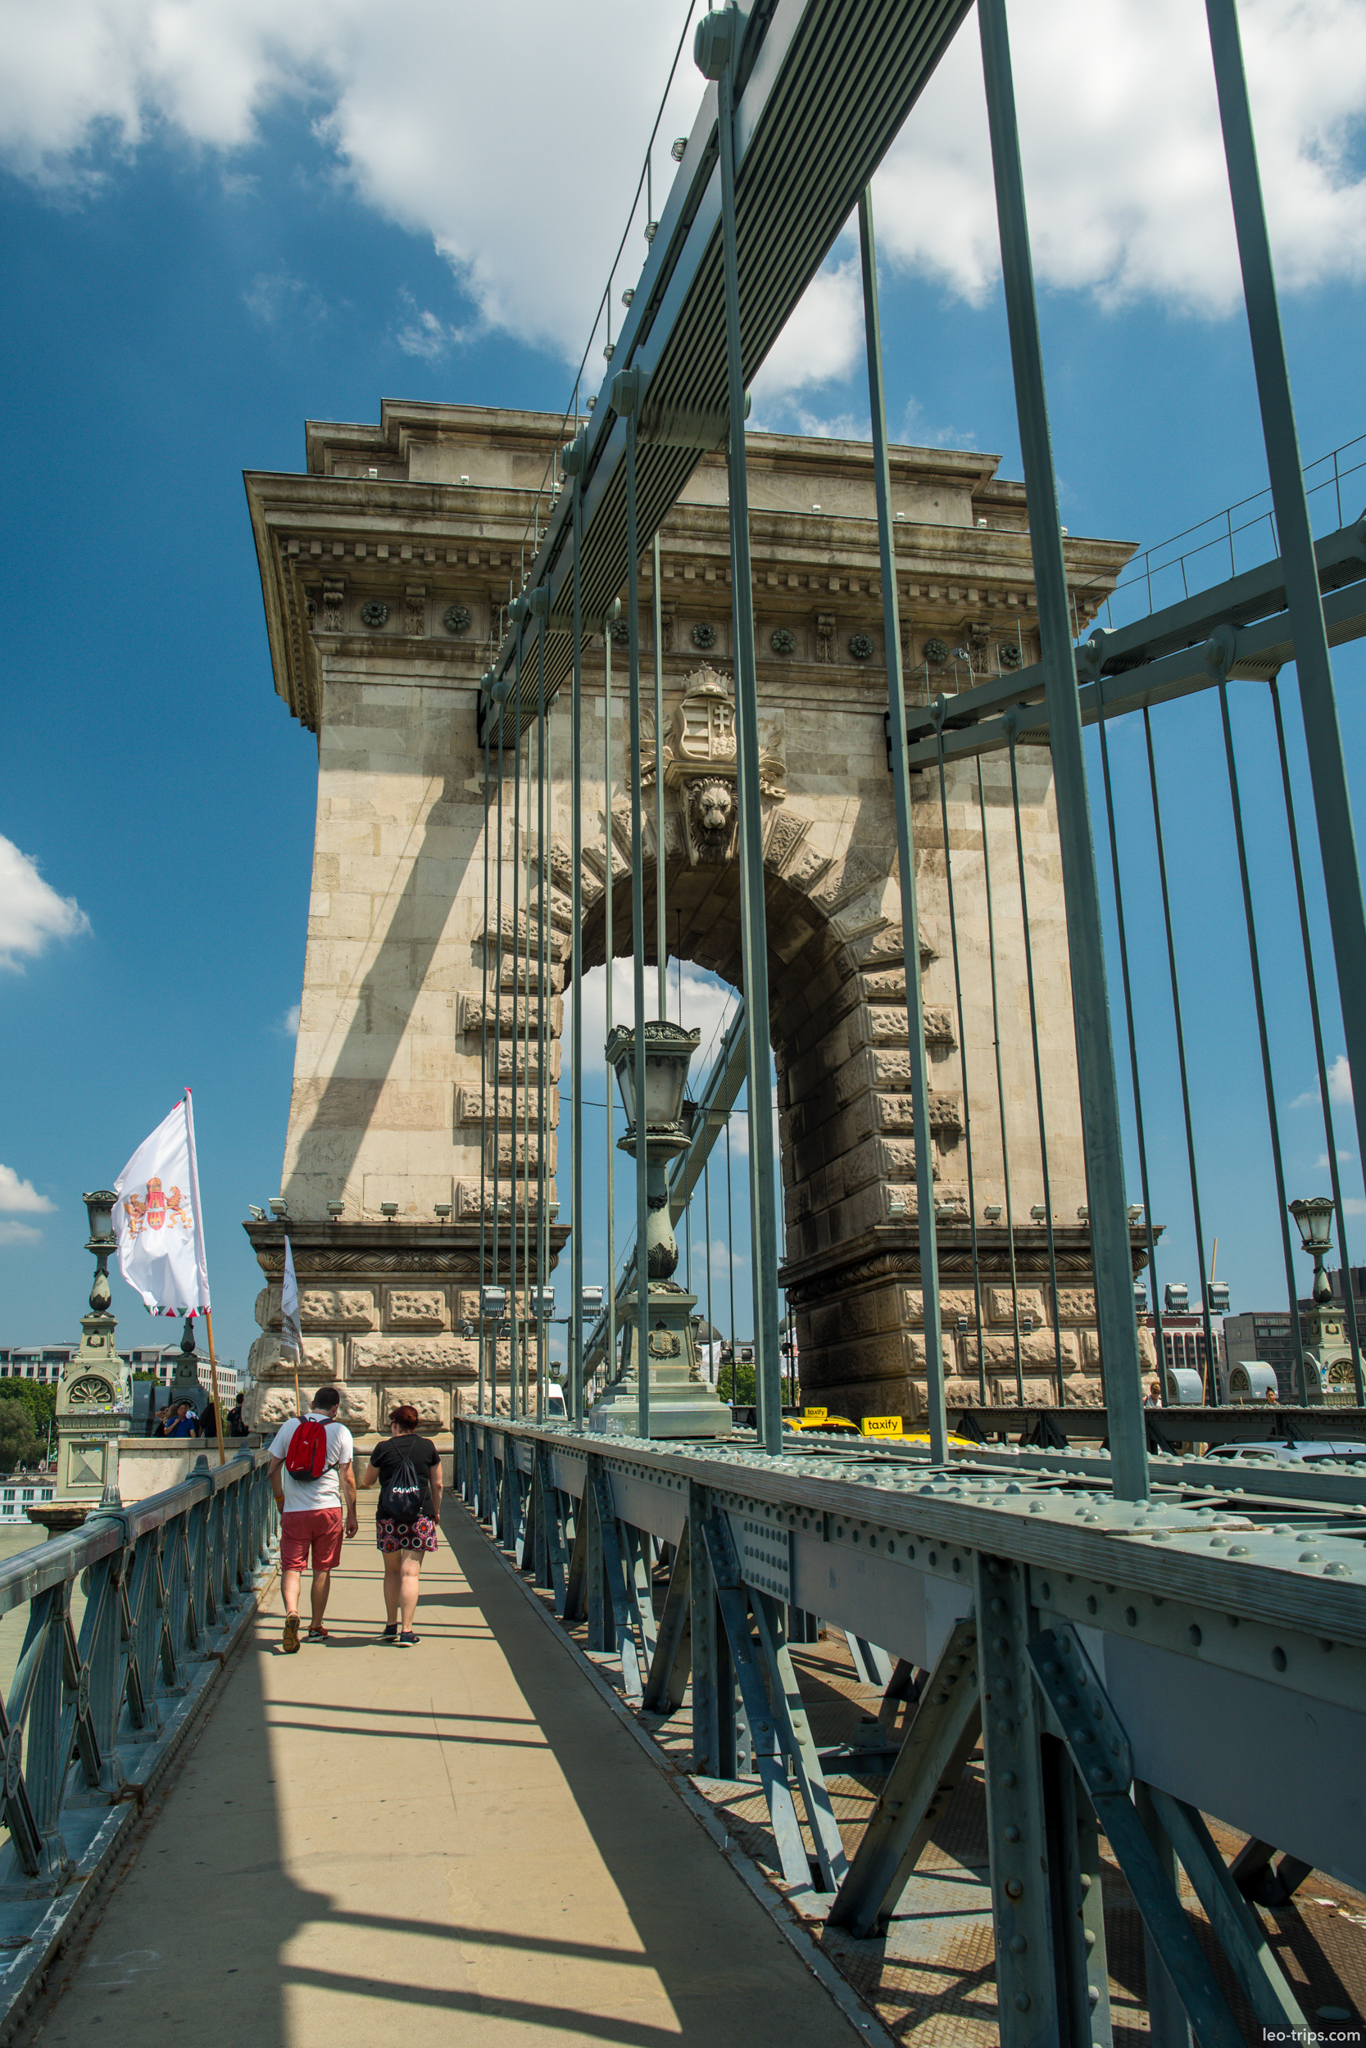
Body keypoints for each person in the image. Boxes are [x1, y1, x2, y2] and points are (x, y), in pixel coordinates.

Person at [268, 1386, 357, 1652]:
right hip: (328, 1510)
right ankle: (316, 1626)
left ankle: (292, 1612)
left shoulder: (290, 1426)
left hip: (295, 1511)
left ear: (313, 1404)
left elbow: (272, 1469)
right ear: (334, 1408)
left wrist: (280, 1500)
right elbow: (348, 1478)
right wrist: (352, 1514)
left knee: (292, 1567)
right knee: (322, 1568)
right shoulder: (341, 1431)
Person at [358, 1405, 442, 1646]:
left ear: (394, 1425)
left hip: (389, 1517)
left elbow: (368, 1481)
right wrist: (435, 1512)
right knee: (410, 1572)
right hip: (419, 1518)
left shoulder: (383, 1448)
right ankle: (407, 1631)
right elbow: (437, 1485)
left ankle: (390, 1625)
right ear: (414, 1426)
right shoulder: (428, 1446)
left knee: (392, 1571)